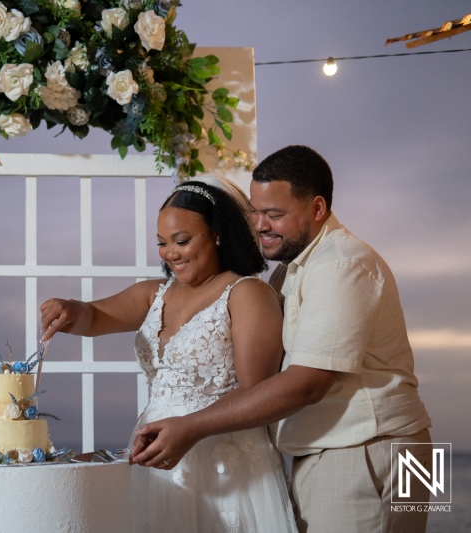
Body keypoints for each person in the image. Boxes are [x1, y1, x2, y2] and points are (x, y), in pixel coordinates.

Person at [130, 146, 433, 533]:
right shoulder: (290, 272)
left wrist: (191, 426)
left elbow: (306, 384)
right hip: (386, 444)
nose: (259, 225)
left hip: (370, 450)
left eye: (274, 215)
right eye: (255, 212)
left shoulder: (341, 263)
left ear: (317, 208)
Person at [40, 179, 297, 532]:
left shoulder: (247, 294)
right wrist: (70, 308)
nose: (170, 253)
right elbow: (94, 317)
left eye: (182, 241)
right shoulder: (154, 294)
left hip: (224, 466)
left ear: (218, 234)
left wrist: (191, 429)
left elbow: (257, 391)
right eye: (162, 243)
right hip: (157, 461)